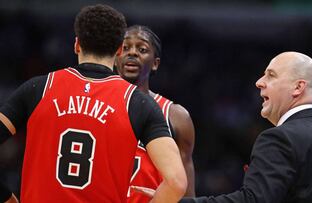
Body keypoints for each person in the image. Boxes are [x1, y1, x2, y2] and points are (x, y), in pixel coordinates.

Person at [0, 4, 187, 203]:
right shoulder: (138, 102)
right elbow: (176, 182)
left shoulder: (39, 88)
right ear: (118, 50)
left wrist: (8, 199)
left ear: (77, 45)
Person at [178, 51, 312, 202]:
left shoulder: (280, 138)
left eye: (271, 75)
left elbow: (252, 200)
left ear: (298, 87)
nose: (259, 82)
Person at [114, 25, 196, 202]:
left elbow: (187, 196)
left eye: (142, 49)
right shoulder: (97, 106)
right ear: (115, 58)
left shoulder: (176, 116)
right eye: (125, 48)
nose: (133, 53)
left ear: (155, 63)